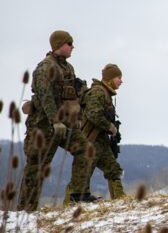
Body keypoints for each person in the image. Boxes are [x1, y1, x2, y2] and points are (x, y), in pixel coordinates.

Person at [18, 30, 94, 211]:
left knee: (85, 150)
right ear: (59, 45)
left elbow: (71, 93)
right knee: (37, 167)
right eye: (69, 44)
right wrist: (54, 120)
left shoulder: (68, 68)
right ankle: (26, 211)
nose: (73, 47)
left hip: (65, 124)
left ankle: (78, 195)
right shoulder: (45, 68)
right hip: (43, 126)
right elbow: (45, 96)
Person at [76, 64, 126, 200]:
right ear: (110, 79)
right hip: (90, 140)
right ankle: (71, 203)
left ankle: (121, 200)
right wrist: (110, 127)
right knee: (84, 173)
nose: (121, 81)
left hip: (100, 140)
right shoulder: (98, 92)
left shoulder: (106, 94)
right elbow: (93, 114)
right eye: (119, 77)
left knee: (114, 170)